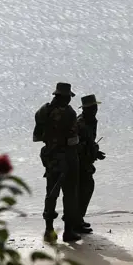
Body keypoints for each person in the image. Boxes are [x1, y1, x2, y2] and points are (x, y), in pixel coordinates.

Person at [33, 82, 84, 243]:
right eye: (69, 97)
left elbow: (37, 136)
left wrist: (52, 141)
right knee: (69, 195)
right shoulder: (69, 113)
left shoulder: (43, 111)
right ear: (65, 97)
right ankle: (68, 232)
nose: (69, 100)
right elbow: (73, 140)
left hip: (50, 158)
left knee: (51, 193)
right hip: (67, 157)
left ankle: (49, 230)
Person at [77, 94, 106, 230]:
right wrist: (92, 151)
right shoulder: (80, 123)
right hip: (79, 163)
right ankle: (76, 221)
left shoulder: (91, 121)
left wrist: (95, 152)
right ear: (86, 109)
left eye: (95, 107)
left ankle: (78, 219)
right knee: (82, 190)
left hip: (86, 162)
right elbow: (77, 145)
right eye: (93, 107)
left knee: (86, 189)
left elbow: (89, 142)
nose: (95, 109)